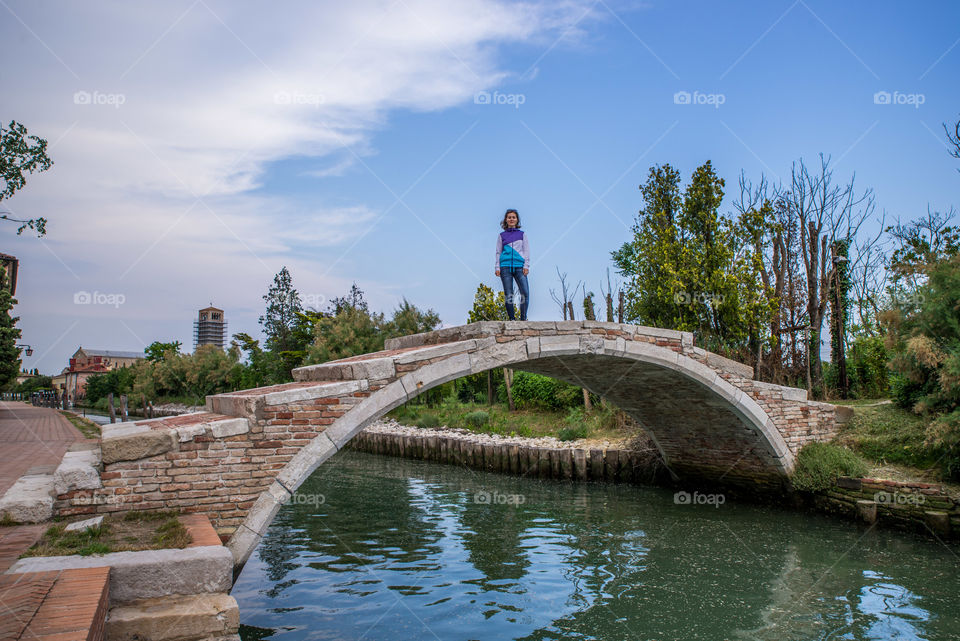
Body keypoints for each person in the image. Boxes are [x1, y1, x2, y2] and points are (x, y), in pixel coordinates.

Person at [495, 208, 530, 321]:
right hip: (505, 267)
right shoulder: (501, 236)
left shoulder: (522, 234)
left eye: (513, 217)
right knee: (509, 294)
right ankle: (512, 319)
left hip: (520, 267)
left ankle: (523, 319)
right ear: (506, 220)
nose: (511, 219)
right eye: (509, 217)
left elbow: (526, 251)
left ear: (517, 220)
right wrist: (497, 267)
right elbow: (498, 252)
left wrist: (526, 265)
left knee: (525, 292)